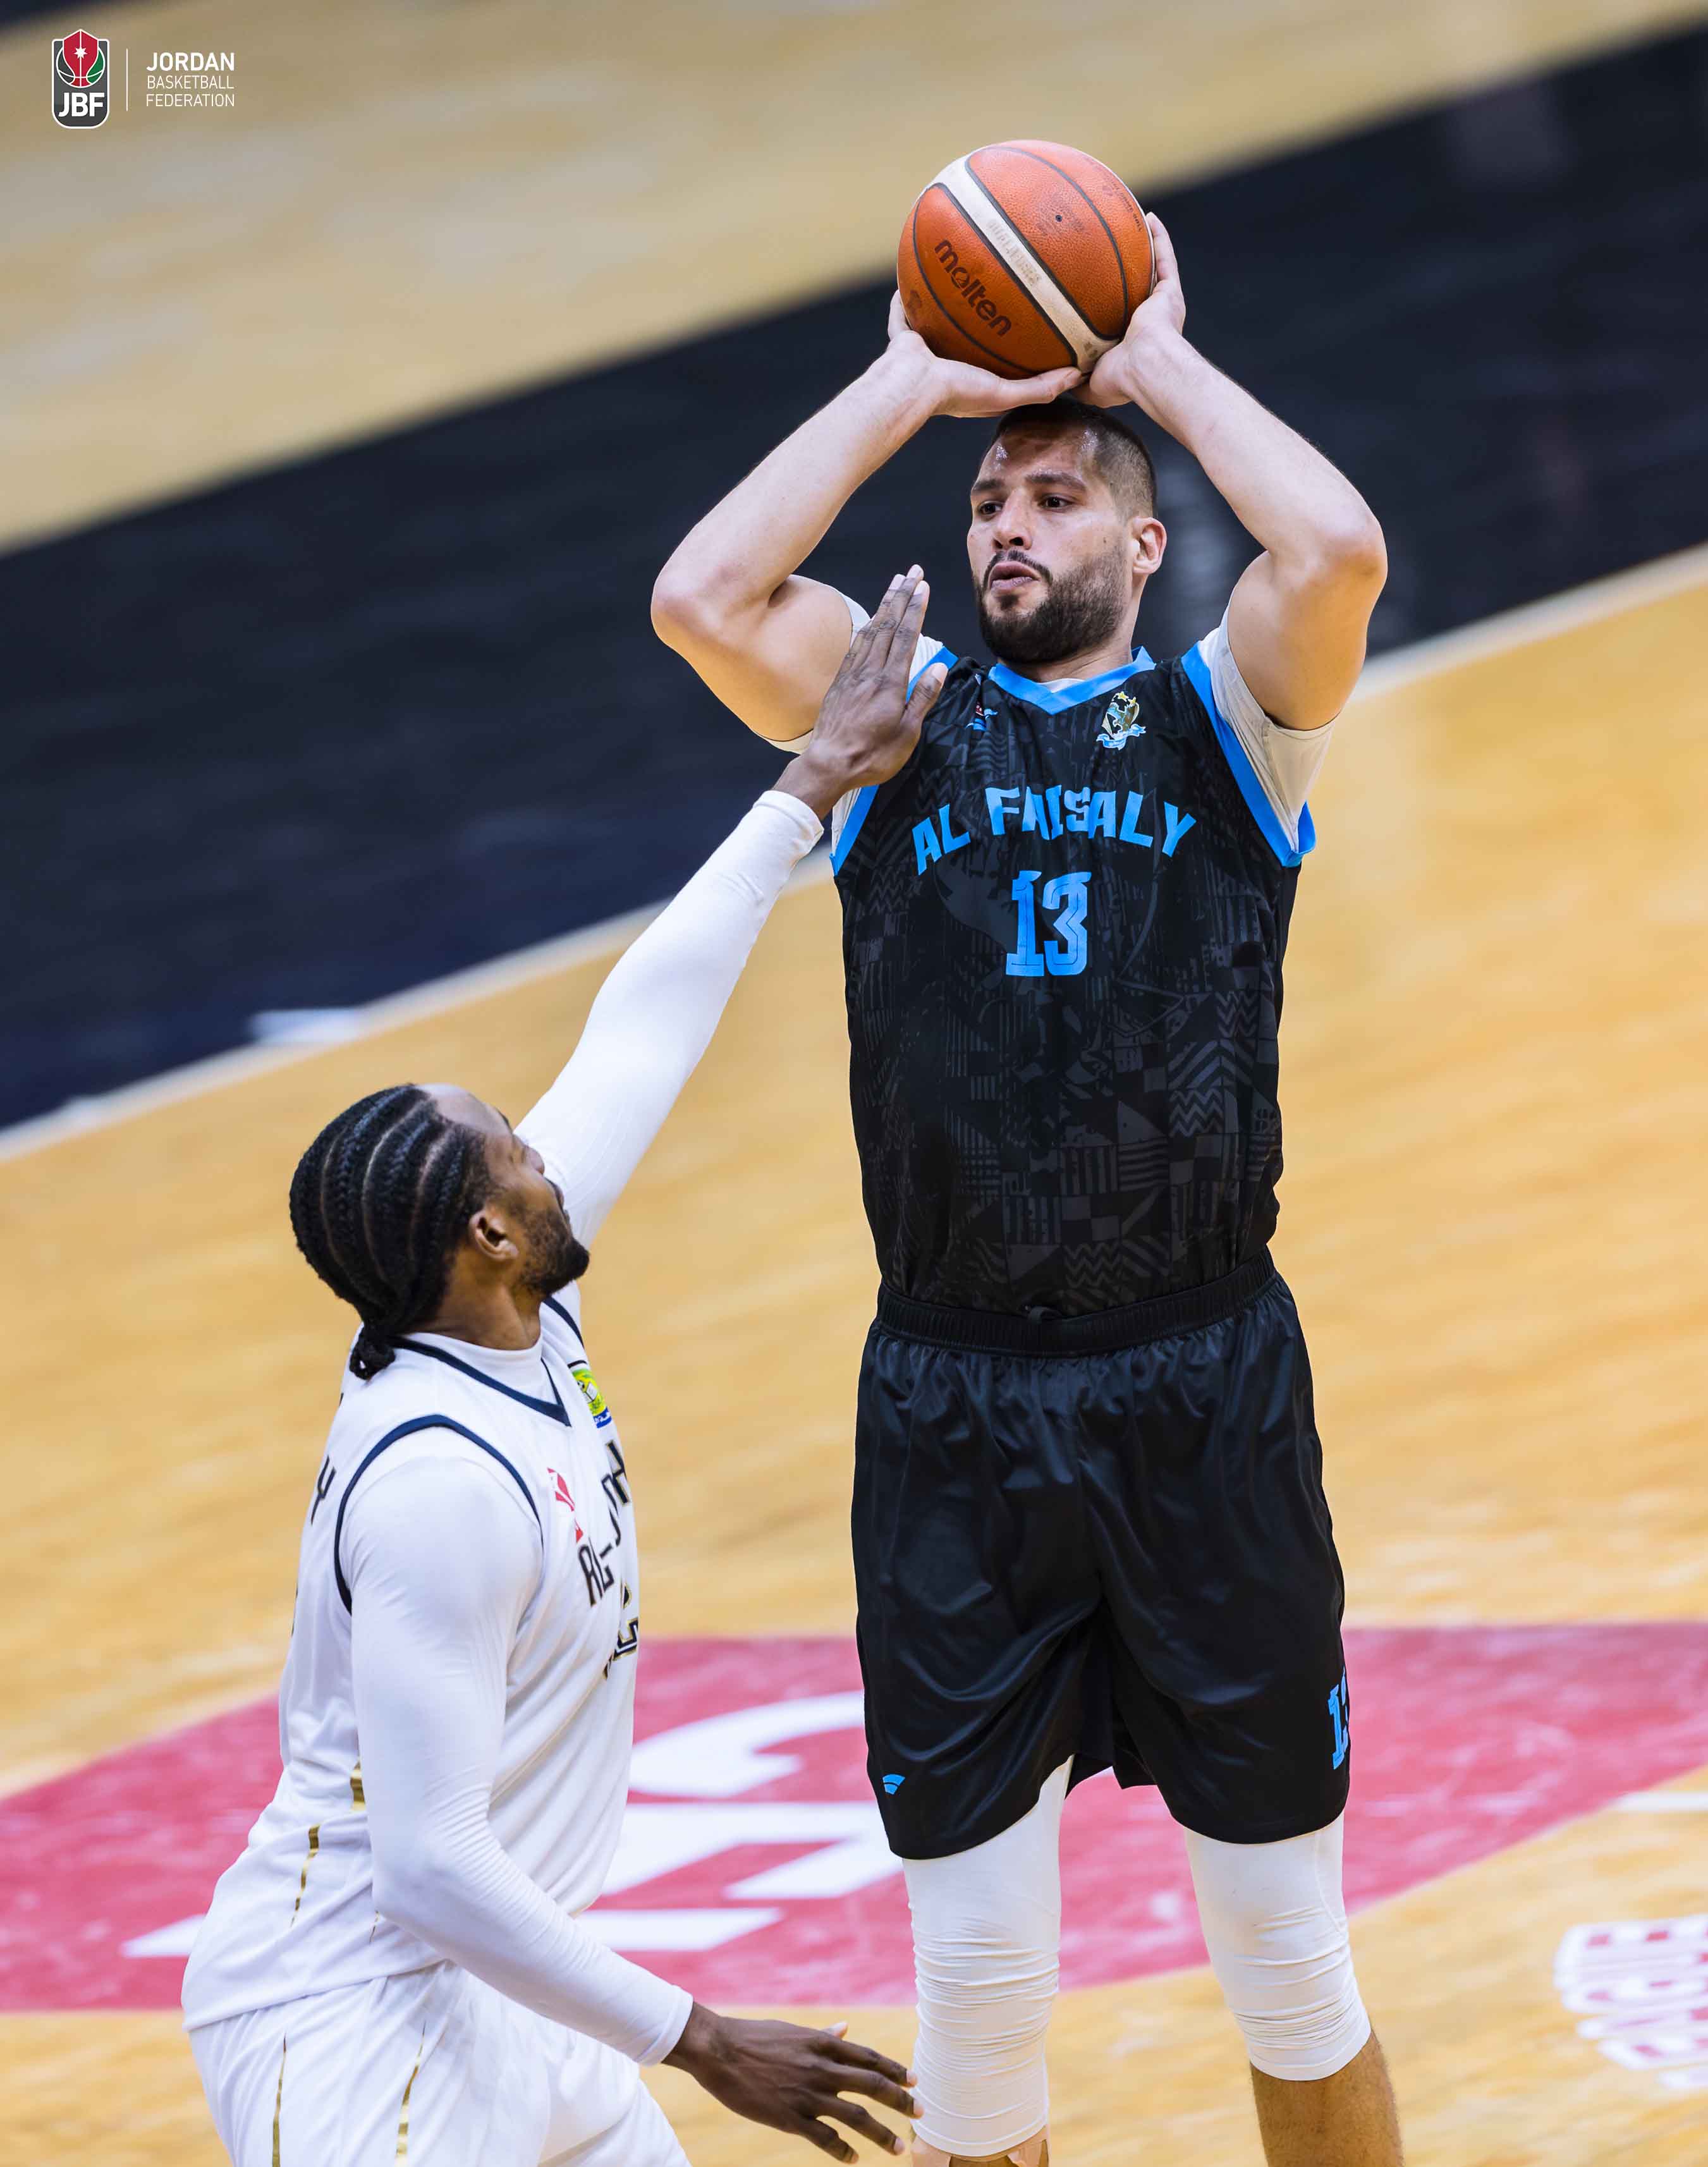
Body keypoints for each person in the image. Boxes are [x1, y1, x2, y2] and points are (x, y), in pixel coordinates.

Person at [651, 217, 1400, 2167]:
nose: (1004, 522)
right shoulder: (885, 713)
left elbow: (1332, 549)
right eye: (986, 499)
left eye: (1054, 498)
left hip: (1200, 1386)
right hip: (954, 1405)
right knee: (975, 1991)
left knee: (1286, 1959)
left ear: (1143, 549)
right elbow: (700, 594)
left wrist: (1146, 365)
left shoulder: (1233, 715)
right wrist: (911, 377)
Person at [180, 580, 946, 2167]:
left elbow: (640, 1028)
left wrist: (812, 783)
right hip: (358, 2023)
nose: (547, 1151)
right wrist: (703, 2039)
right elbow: (427, 1866)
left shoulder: (518, 1307)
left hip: (518, 1985)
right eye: (518, 1150)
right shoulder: (438, 1487)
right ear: (487, 1232)